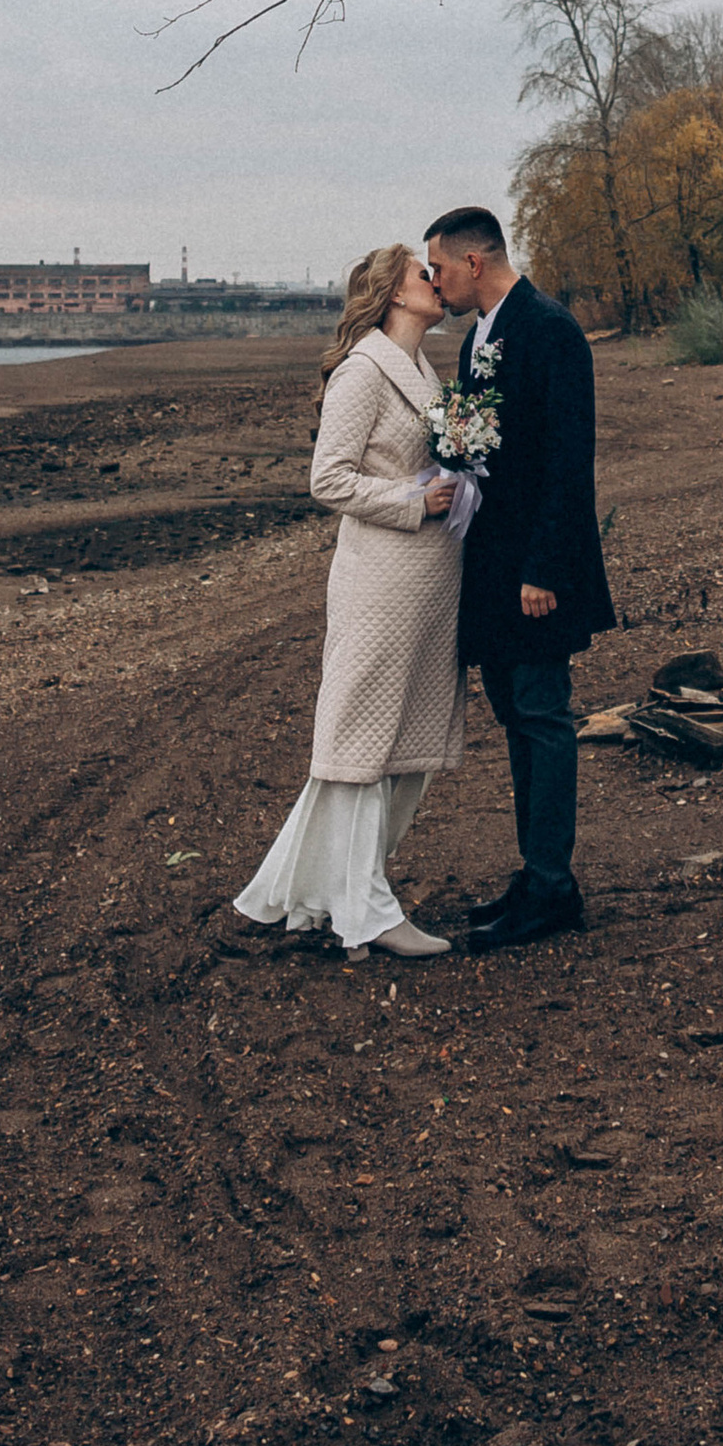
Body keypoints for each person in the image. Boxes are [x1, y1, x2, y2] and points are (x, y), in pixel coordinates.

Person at [231, 242, 473, 963]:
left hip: (430, 583)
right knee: (363, 739)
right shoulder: (363, 372)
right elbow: (327, 480)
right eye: (420, 274)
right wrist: (412, 499)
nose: (435, 281)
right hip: (380, 583)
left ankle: (329, 892)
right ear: (393, 294)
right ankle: (365, 910)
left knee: (407, 746)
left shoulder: (426, 369)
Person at [426, 203, 615, 951]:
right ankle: (536, 871)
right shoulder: (480, 335)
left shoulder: (551, 329)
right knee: (515, 715)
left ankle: (554, 890)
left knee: (543, 713)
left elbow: (571, 462)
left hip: (538, 568)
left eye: (439, 267)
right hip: (495, 564)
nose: (435, 284)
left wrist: (544, 568)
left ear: (475, 262)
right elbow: (480, 445)